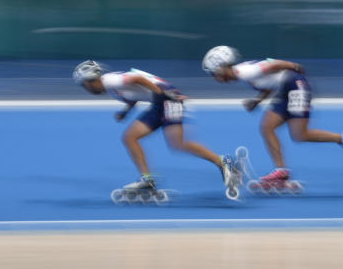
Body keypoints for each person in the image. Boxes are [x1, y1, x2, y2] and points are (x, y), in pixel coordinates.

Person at [202, 46, 343, 188]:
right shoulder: (241, 74)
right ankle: (281, 171)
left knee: (300, 135)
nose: (214, 78)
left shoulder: (245, 72)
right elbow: (268, 82)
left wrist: (293, 66)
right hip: (286, 89)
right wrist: (258, 101)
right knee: (267, 127)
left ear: (222, 67)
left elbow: (271, 65)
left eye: (214, 73)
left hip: (295, 86)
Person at [73, 60, 238, 197]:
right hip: (159, 102)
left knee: (178, 144)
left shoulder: (110, 81)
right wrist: (126, 111)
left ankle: (224, 162)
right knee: (130, 137)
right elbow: (133, 94)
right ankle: (147, 181)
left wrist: (163, 93)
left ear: (89, 81)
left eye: (84, 85)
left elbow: (136, 79)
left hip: (168, 99)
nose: (85, 89)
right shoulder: (111, 87)